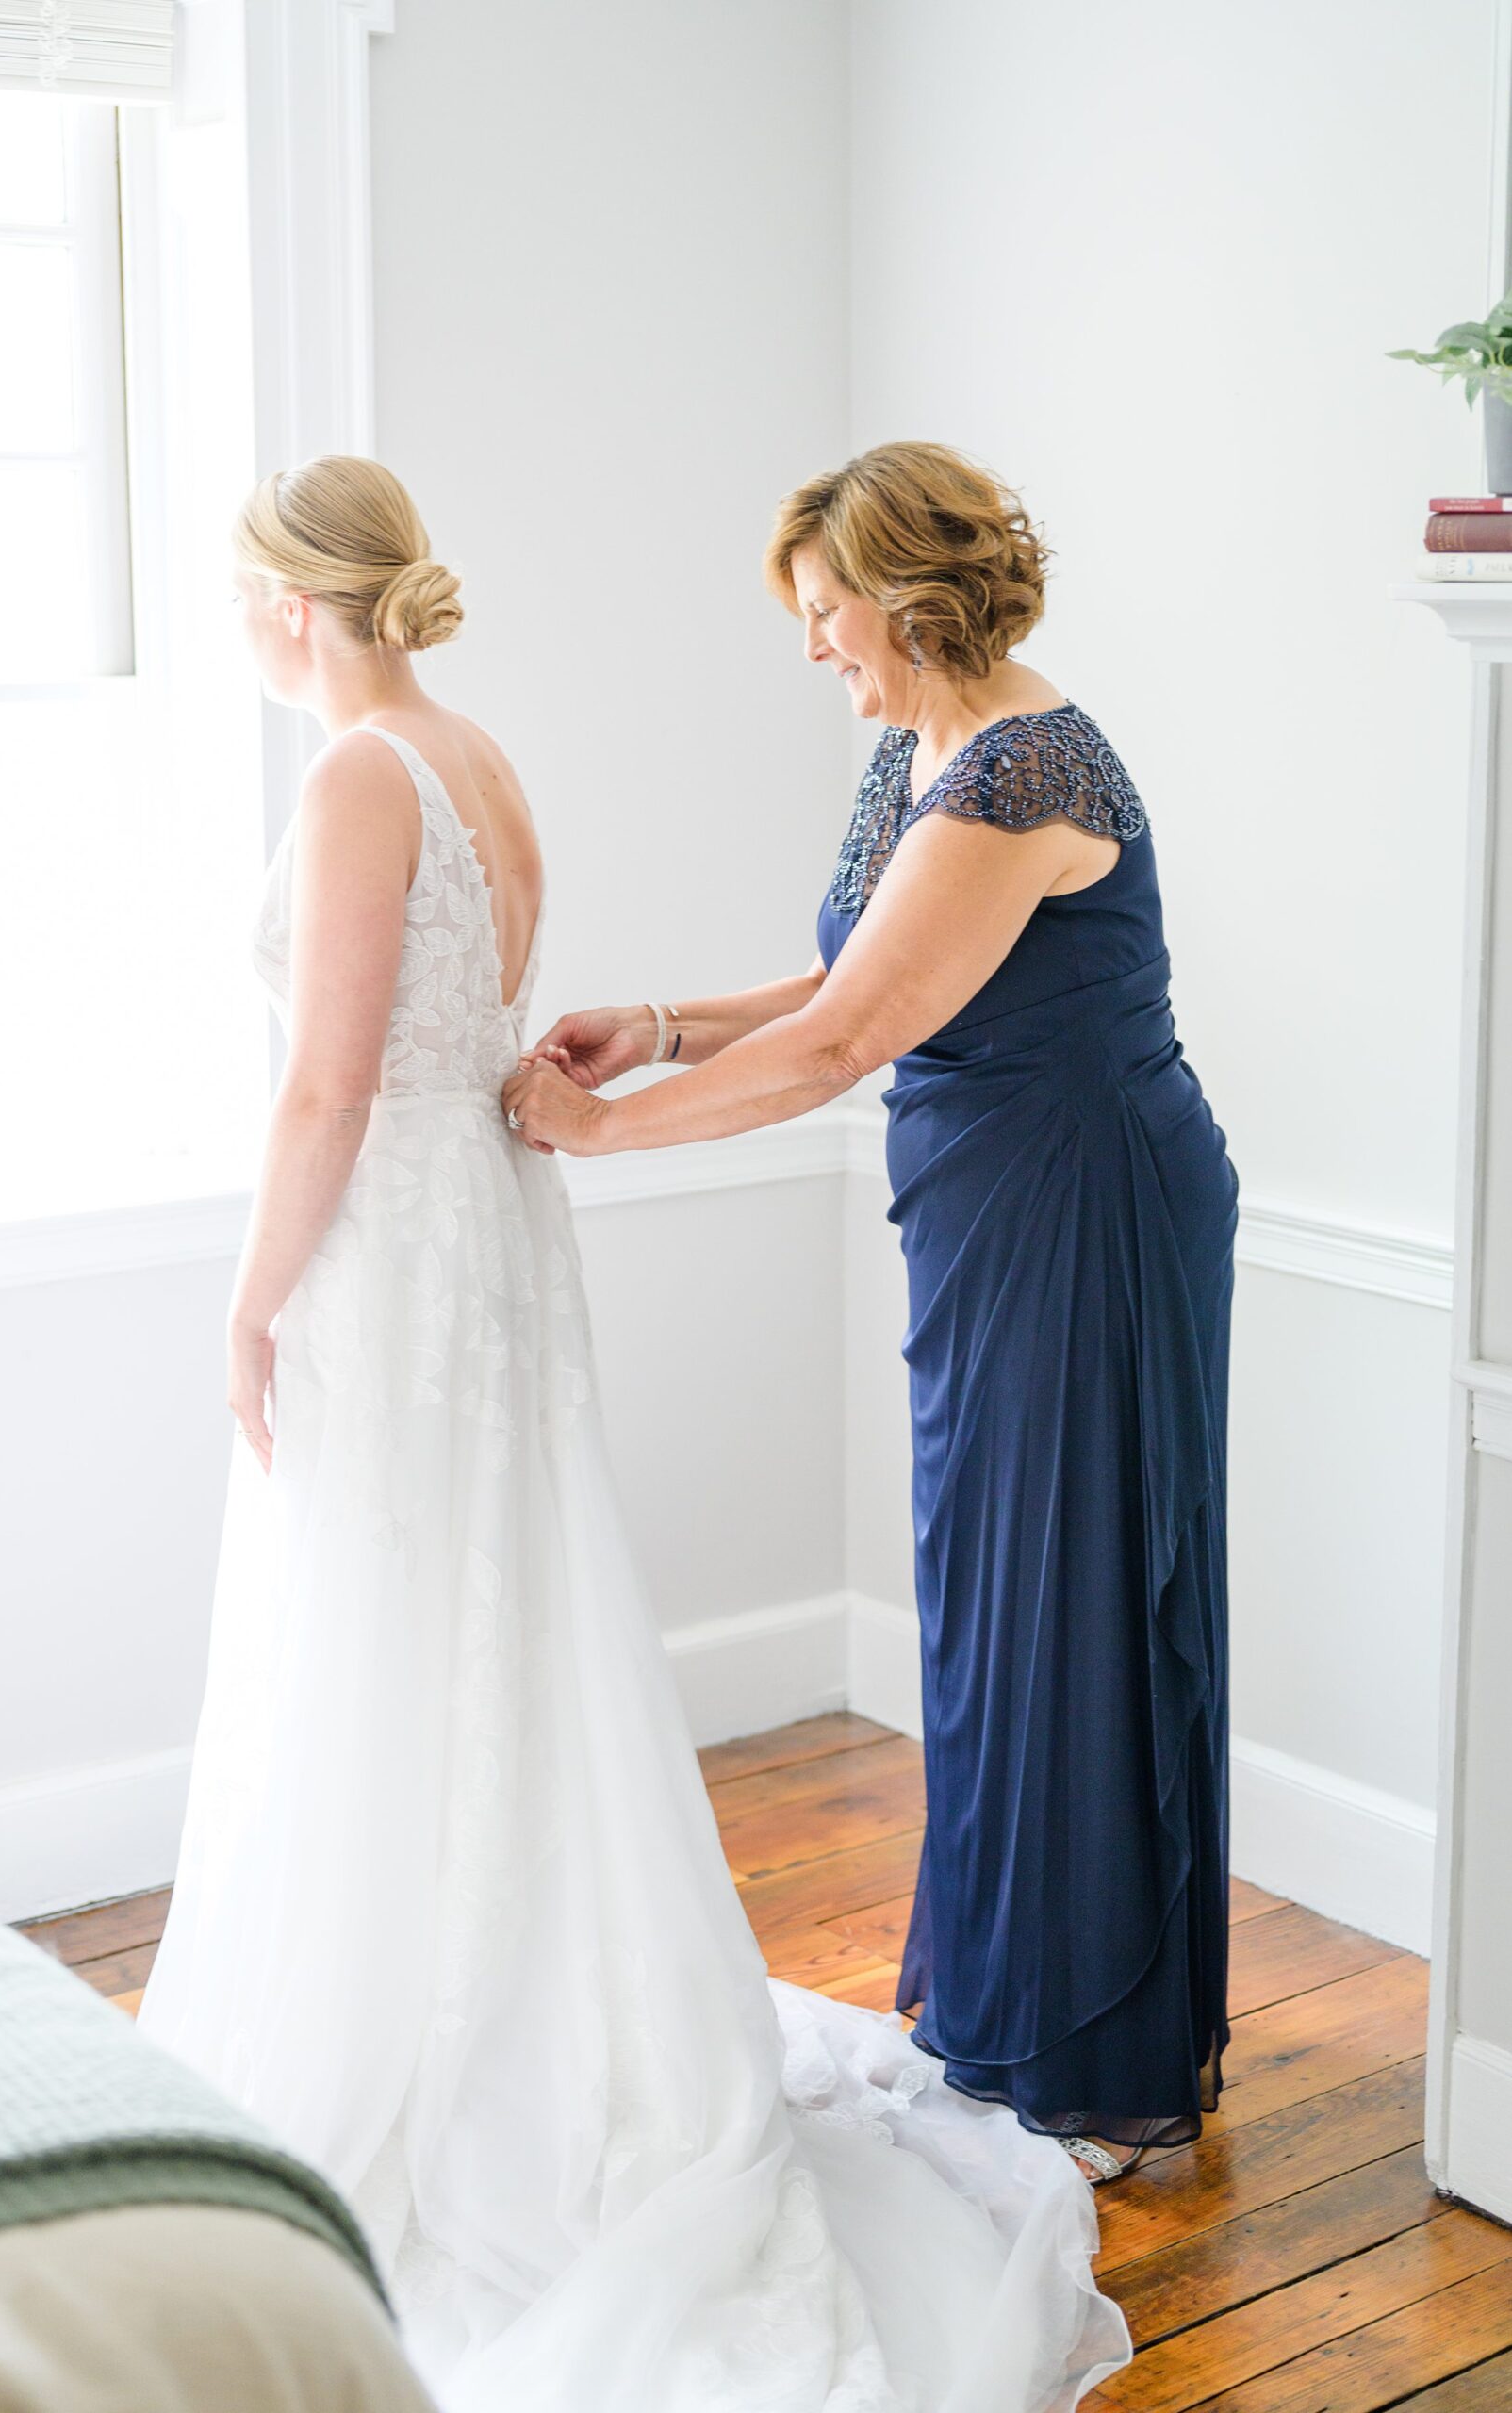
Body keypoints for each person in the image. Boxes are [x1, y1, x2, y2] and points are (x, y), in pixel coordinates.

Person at [135, 453, 1130, 2412]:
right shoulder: (472, 755)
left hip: (395, 1250)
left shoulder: (356, 775)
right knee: (482, 1631)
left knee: (392, 1633)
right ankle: (517, 2002)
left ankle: (433, 2055)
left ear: (294, 599)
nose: (240, 626)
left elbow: (333, 1080)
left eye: (245, 593)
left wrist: (246, 1295)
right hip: (484, 1234)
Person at [510, 439, 1238, 2188]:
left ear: (911, 601)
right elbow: (842, 975)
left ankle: (1089, 2044)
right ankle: (1008, 1999)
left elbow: (847, 1044)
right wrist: (662, 1025)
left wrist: (602, 1135)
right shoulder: (918, 749)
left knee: (1062, 1597)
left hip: (1089, 1212)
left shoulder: (1027, 773)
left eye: (828, 615)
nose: (814, 649)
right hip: (989, 1213)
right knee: (990, 1600)